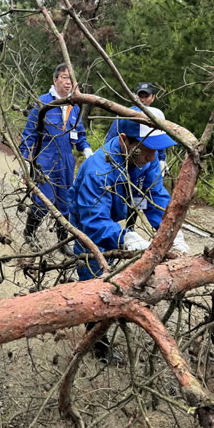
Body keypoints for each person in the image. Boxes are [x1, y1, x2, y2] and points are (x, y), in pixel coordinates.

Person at [70, 118, 189, 361]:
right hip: (87, 219)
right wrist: (125, 237)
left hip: (114, 212)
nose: (152, 156)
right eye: (147, 149)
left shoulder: (148, 160)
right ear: (125, 140)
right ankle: (96, 340)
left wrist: (172, 232)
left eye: (156, 150)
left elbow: (157, 198)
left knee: (122, 271)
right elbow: (94, 220)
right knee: (94, 276)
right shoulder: (99, 169)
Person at [19, 63, 94, 256]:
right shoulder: (42, 103)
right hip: (45, 159)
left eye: (70, 78)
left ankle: (63, 242)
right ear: (55, 80)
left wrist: (86, 150)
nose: (67, 82)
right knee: (44, 200)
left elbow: (80, 134)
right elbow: (29, 134)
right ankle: (29, 233)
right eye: (63, 77)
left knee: (65, 202)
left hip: (67, 161)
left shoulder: (74, 105)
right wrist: (26, 161)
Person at [105, 82, 168, 173]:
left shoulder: (157, 116)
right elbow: (110, 139)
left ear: (153, 97)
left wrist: (162, 159)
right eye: (140, 96)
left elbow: (159, 139)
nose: (142, 99)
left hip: (149, 164)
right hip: (126, 162)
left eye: (146, 96)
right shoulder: (125, 115)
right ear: (135, 96)